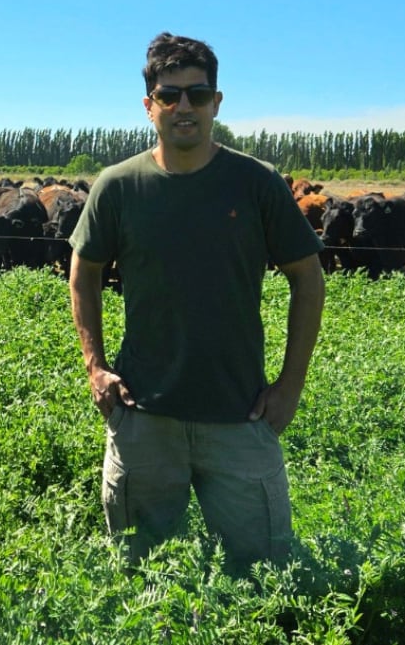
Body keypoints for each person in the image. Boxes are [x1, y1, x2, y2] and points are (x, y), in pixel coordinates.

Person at [67, 32, 325, 573]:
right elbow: (82, 276)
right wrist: (96, 368)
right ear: (149, 106)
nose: (184, 106)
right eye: (169, 95)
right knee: (139, 573)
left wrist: (290, 387)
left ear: (217, 102)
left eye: (198, 94)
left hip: (239, 416)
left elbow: (308, 279)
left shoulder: (257, 184)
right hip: (143, 418)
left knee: (265, 571)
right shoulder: (118, 187)